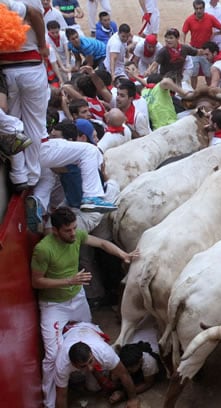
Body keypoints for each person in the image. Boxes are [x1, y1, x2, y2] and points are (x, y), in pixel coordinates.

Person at [31, 207, 139, 407]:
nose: (73, 233)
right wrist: (69, 280)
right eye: (67, 230)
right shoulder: (43, 249)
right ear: (55, 230)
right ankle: (49, 402)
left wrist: (123, 254)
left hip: (77, 297)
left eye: (74, 228)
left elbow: (102, 243)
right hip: (54, 305)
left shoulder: (77, 235)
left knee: (87, 339)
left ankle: (91, 380)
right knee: (53, 356)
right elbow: (37, 282)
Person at [1, 0, 50, 192]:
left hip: (6, 72)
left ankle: (19, 175)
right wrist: (42, 44)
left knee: (12, 122)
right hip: (31, 68)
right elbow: (36, 14)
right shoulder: (14, 3)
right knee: (34, 125)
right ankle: (31, 176)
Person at [54, 322, 139, 408]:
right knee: (77, 380)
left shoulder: (104, 351)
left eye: (90, 361)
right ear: (72, 363)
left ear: (91, 352)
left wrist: (133, 399)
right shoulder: (62, 365)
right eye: (83, 366)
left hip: (88, 329)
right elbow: (62, 395)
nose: (90, 368)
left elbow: (124, 374)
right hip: (70, 333)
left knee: (94, 387)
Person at [182, 0, 221, 88]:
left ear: (204, 8)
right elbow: (183, 33)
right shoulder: (189, 19)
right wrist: (183, 45)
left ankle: (210, 91)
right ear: (194, 9)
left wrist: (217, 33)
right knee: (194, 74)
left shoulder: (210, 18)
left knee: (208, 74)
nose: (199, 10)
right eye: (197, 8)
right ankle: (194, 92)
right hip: (194, 51)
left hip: (206, 51)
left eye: (200, 8)